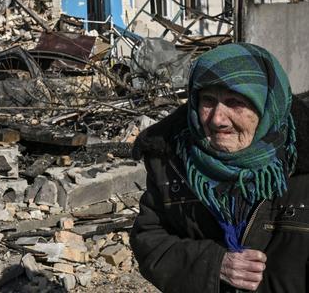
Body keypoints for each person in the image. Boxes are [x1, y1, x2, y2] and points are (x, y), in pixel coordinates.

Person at [130, 43, 309, 292]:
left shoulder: (302, 169)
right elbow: (149, 239)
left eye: (235, 102)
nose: (217, 119)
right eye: (208, 101)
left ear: (267, 105)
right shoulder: (173, 161)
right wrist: (214, 265)